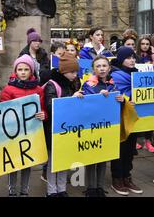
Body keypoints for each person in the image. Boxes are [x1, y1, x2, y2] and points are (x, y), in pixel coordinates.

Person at [77, 56, 124, 197]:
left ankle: (100, 187)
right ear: (93, 69)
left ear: (109, 68)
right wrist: (100, 95)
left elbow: (117, 107)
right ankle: (91, 188)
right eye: (98, 66)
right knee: (91, 158)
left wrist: (121, 101)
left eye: (104, 65)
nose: (102, 68)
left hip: (107, 127)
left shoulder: (113, 84)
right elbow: (88, 102)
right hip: (91, 127)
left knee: (103, 157)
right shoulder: (88, 84)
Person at [0, 55, 46, 197]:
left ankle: (24, 191)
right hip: (13, 133)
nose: (23, 72)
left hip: (31, 133)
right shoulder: (8, 90)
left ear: (31, 71)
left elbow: (43, 108)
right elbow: (3, 112)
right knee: (13, 163)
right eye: (20, 69)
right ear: (15, 71)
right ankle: (12, 191)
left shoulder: (38, 89)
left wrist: (43, 115)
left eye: (26, 69)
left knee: (27, 163)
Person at [43, 52, 81, 197]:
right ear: (64, 71)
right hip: (54, 130)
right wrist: (72, 98)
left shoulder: (75, 83)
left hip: (68, 128)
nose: (75, 74)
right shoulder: (52, 85)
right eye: (72, 71)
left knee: (64, 160)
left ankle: (62, 188)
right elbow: (51, 107)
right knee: (53, 162)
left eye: (76, 71)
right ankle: (51, 191)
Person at [109, 46, 143, 196]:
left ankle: (127, 177)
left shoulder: (139, 76)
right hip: (119, 117)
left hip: (133, 117)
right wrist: (128, 101)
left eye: (134, 57)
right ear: (122, 59)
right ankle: (117, 178)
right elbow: (113, 95)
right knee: (120, 149)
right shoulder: (114, 76)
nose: (132, 60)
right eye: (129, 57)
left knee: (130, 150)